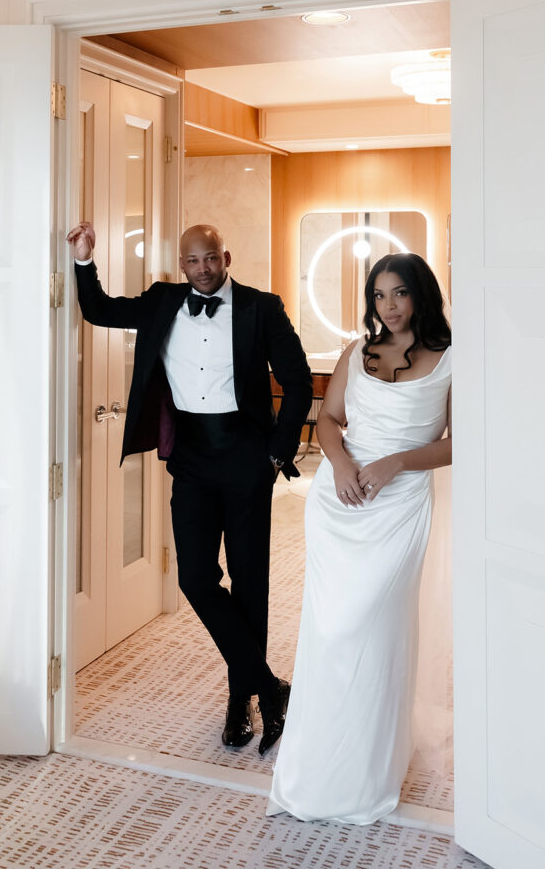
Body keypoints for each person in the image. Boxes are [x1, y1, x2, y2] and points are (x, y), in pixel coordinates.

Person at [66, 221, 312, 756]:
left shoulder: (261, 308)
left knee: (250, 582)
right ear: (181, 265)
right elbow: (100, 310)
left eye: (210, 258)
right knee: (197, 578)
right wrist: (85, 261)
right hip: (193, 461)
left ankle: (238, 696)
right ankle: (269, 687)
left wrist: (278, 451)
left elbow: (296, 381)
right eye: (192, 260)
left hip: (247, 458)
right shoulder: (161, 301)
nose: (202, 268)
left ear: (226, 256)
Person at [268, 251, 452, 823]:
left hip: (399, 508)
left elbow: (460, 441)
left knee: (374, 628)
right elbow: (328, 419)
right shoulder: (357, 351)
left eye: (399, 293)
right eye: (378, 295)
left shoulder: (453, 359)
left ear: (421, 295)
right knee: (330, 631)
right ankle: (318, 765)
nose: (388, 306)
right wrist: (341, 465)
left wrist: (397, 462)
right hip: (338, 503)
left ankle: (373, 764)